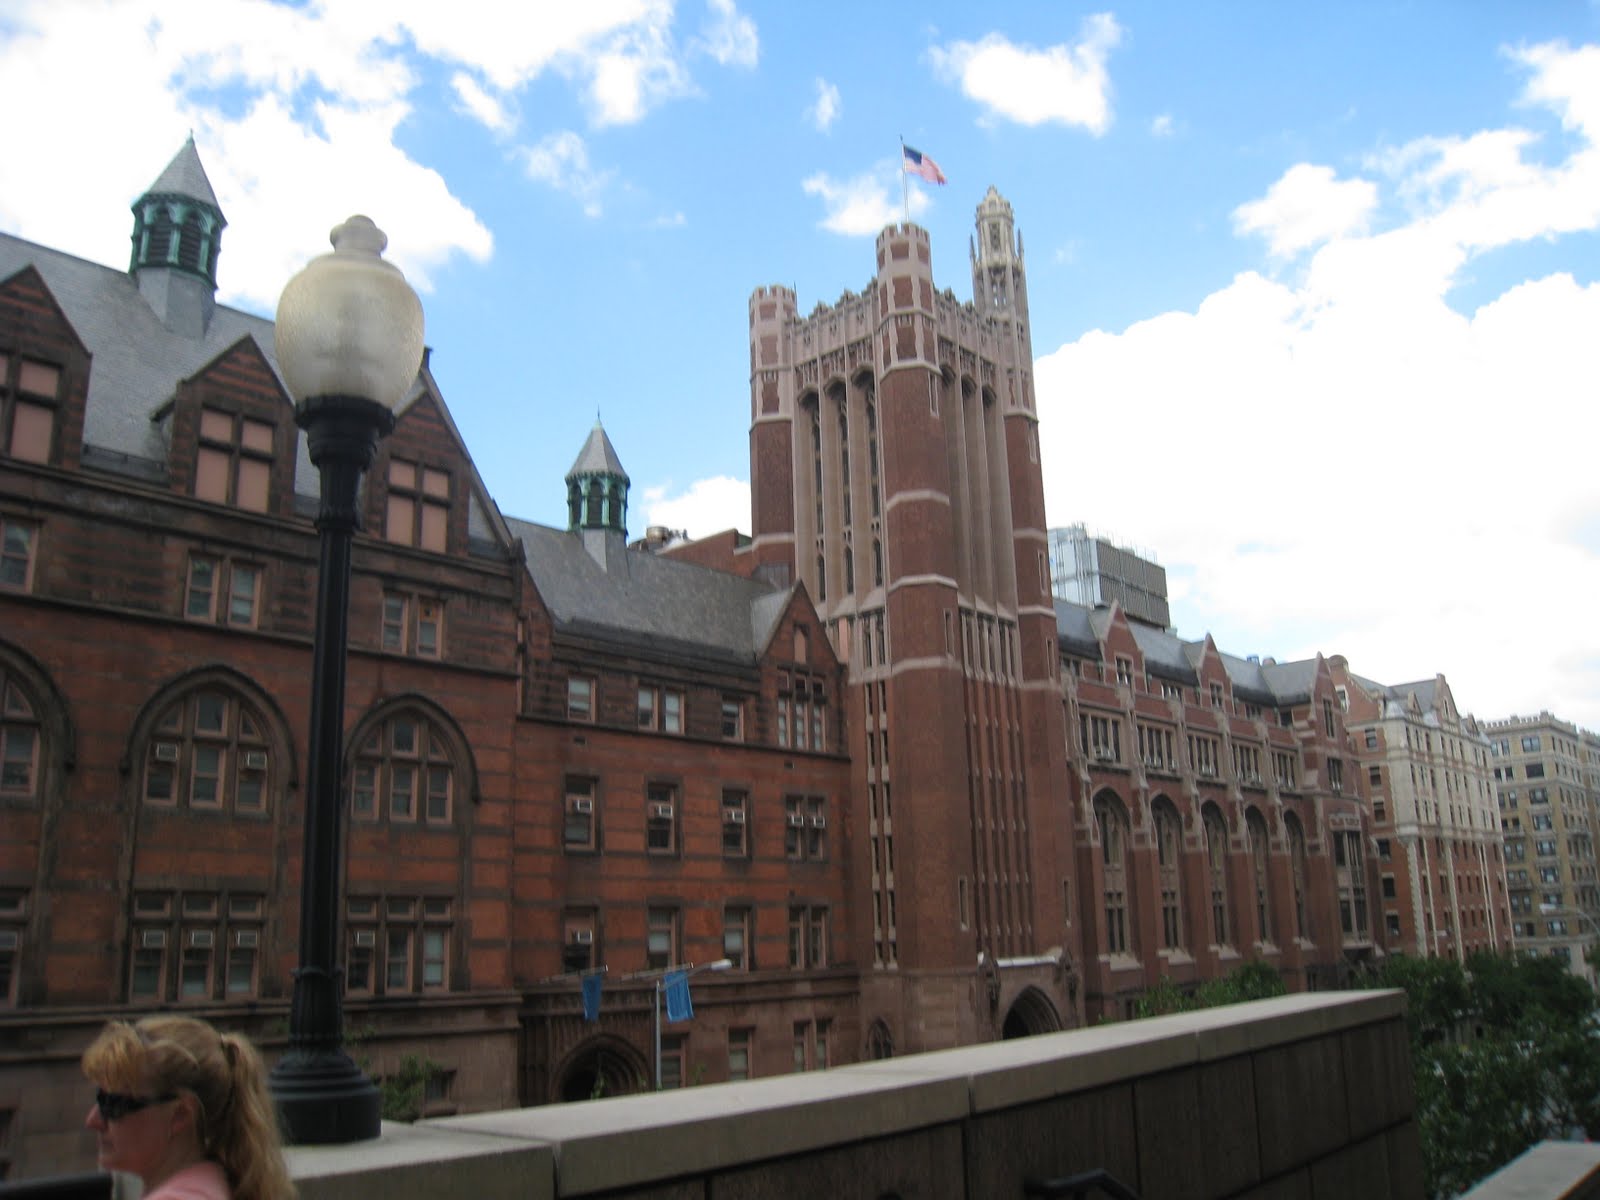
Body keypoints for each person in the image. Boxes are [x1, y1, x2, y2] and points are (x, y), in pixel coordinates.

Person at [81, 1016, 295, 1200]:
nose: (93, 1120)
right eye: (100, 1098)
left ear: (181, 1114)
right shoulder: (218, 1184)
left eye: (114, 1104)